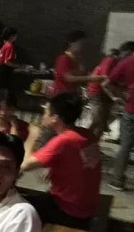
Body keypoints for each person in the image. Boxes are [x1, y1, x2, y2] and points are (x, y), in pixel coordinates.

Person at [22, 93, 102, 229]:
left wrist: (32, 135)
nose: (43, 116)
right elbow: (77, 164)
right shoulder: (87, 134)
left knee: (16, 206)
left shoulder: (64, 140)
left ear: (55, 118)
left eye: (45, 112)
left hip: (69, 211)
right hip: (86, 208)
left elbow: (25, 165)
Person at [106, 43, 134, 191]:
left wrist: (122, 96)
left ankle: (117, 180)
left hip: (131, 109)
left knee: (126, 146)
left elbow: (107, 82)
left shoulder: (127, 62)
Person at [88, 47, 124, 141]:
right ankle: (87, 143)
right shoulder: (110, 60)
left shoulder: (109, 62)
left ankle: (90, 143)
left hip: (100, 94)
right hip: (98, 93)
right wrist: (113, 97)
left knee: (99, 123)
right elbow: (104, 82)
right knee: (99, 123)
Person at [52, 30, 103, 95]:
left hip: (72, 94)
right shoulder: (63, 58)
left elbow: (82, 74)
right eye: (80, 44)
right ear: (71, 43)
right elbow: (69, 78)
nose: (82, 46)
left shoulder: (79, 59)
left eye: (84, 44)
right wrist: (91, 78)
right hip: (61, 95)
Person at [0, 26, 20, 94]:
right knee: (4, 91)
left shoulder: (0, 45)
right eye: (15, 36)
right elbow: (7, 62)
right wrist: (17, 66)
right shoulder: (9, 46)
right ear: (11, 36)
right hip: (4, 71)